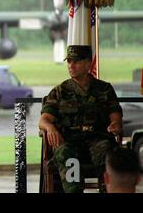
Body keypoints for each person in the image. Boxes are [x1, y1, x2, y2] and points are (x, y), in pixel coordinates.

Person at [38, 45, 123, 193]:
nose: (71, 66)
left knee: (108, 153)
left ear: (88, 64)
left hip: (98, 138)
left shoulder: (104, 89)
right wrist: (50, 128)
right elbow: (43, 120)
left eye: (76, 62)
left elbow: (115, 116)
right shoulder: (60, 91)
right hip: (70, 140)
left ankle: (108, 189)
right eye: (69, 61)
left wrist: (115, 125)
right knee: (66, 153)